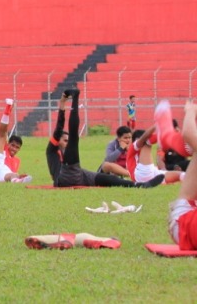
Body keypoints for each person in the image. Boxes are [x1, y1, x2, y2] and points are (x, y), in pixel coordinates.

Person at [49, 89, 162, 189]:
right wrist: (63, 104)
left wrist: (62, 102)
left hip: (80, 173)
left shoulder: (130, 145)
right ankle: (75, 97)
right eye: (65, 140)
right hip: (64, 178)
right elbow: (59, 127)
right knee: (74, 137)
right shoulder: (52, 150)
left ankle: (139, 185)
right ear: (57, 141)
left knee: (107, 179)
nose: (67, 143)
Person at [168, 100, 197, 251]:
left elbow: (188, 135)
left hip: (183, 222)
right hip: (184, 221)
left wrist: (191, 110)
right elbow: (188, 136)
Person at [0, 99, 31, 183]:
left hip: (1, 174)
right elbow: (3, 131)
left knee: (15, 175)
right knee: (2, 136)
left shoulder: (17, 161)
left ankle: (17, 181)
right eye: (12, 145)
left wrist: (19, 176)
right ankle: (7, 109)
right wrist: (8, 111)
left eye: (17, 147)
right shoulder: (4, 148)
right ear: (8, 144)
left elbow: (9, 173)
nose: (14, 149)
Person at [155, 99, 193, 172]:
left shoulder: (183, 139)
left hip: (182, 166)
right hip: (170, 167)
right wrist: (164, 171)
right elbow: (160, 161)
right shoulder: (164, 148)